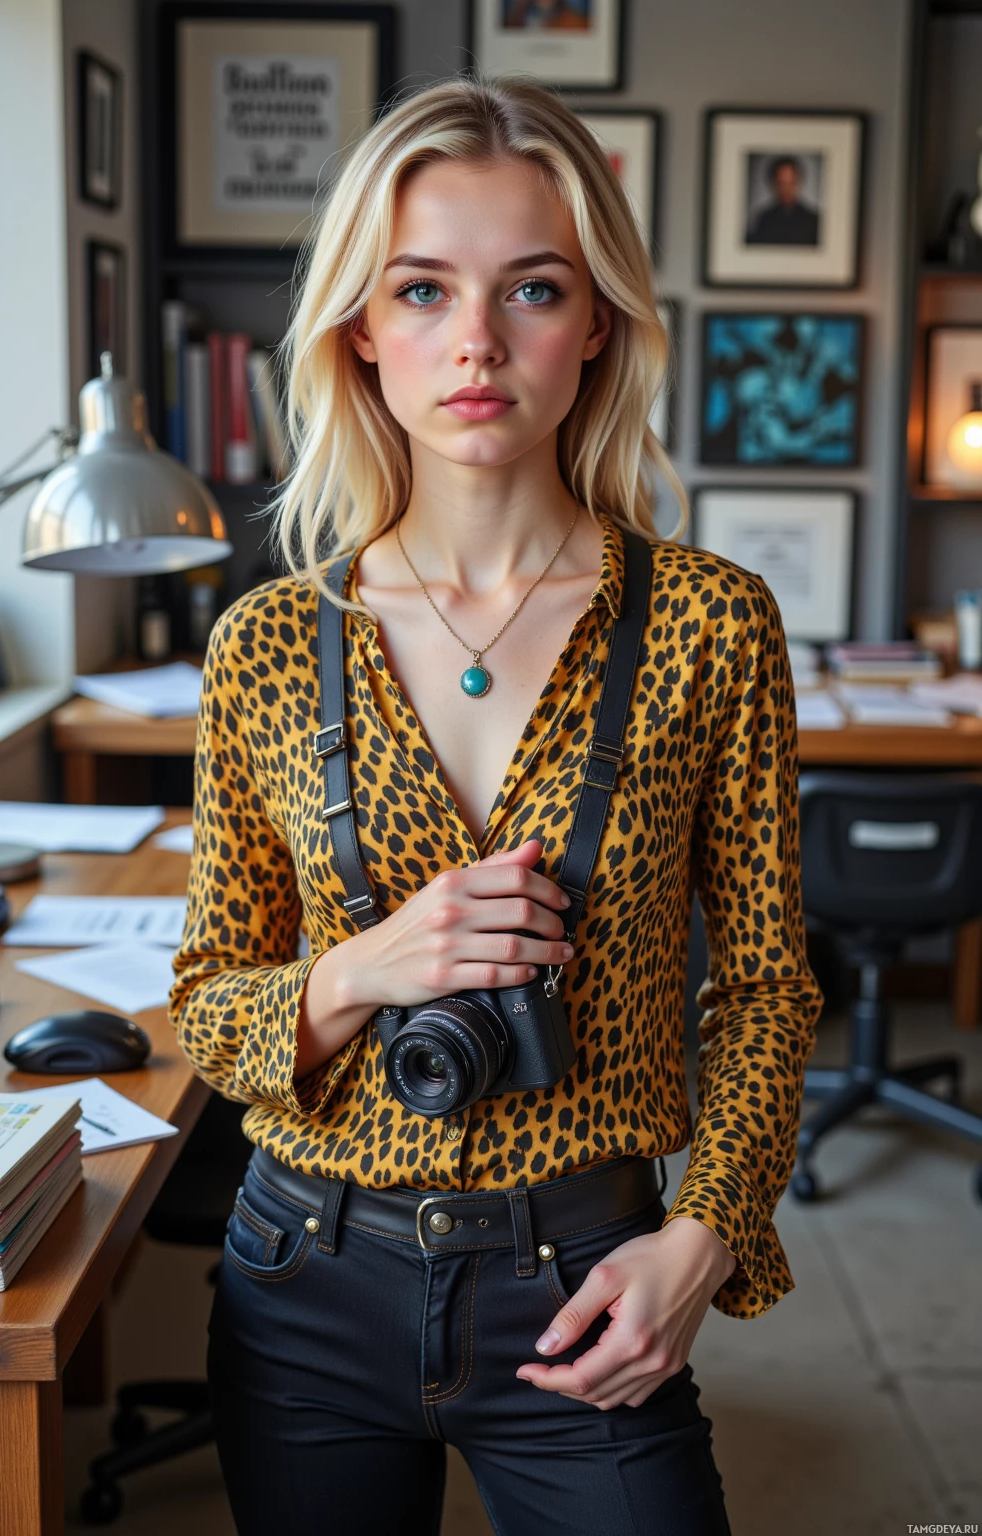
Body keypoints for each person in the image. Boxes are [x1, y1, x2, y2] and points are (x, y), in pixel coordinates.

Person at [171, 74, 822, 1536]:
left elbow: (771, 989)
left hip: (589, 1268)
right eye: (420, 290)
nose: (475, 341)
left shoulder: (715, 628)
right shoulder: (268, 646)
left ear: (596, 324)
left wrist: (704, 1240)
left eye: (532, 288)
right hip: (303, 1282)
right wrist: (362, 970)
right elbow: (209, 1008)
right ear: (359, 329)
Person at [746, 155, 820, 246]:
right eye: (782, 183)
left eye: (791, 183)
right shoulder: (763, 220)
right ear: (773, 184)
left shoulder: (813, 220)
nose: (786, 189)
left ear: (798, 183)